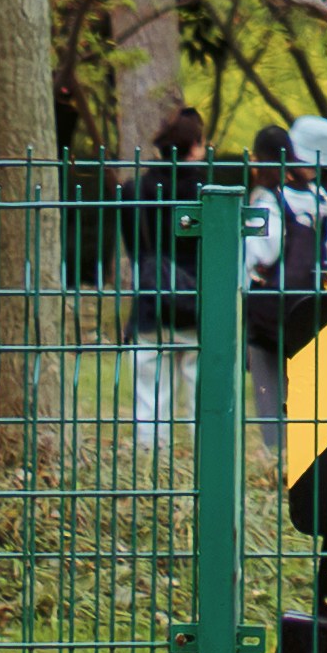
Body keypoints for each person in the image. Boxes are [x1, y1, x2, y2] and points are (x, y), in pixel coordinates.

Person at [242, 120, 327, 471]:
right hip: (310, 304)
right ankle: (308, 453)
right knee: (305, 383)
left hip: (269, 308)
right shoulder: (321, 198)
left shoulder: (269, 198)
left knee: (268, 385)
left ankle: (275, 456)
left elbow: (262, 253)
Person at [122, 104, 204, 445]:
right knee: (203, 391)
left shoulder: (133, 191)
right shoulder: (207, 191)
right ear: (195, 147)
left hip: (150, 302)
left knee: (149, 392)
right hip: (196, 303)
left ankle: (151, 460)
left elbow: (134, 249)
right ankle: (205, 454)